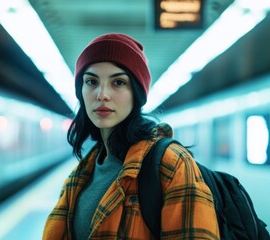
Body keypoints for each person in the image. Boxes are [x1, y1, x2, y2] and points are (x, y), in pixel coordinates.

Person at [42, 33, 220, 239]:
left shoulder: (171, 164)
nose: (101, 94)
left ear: (136, 93)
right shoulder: (83, 173)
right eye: (91, 81)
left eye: (118, 82)